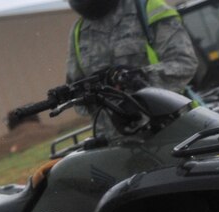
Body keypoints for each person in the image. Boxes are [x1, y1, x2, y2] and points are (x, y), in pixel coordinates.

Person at [66, 0, 199, 127]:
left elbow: (184, 63)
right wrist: (81, 93)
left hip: (168, 131)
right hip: (115, 144)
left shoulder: (148, 8)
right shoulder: (78, 31)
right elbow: (79, 101)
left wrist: (138, 80)